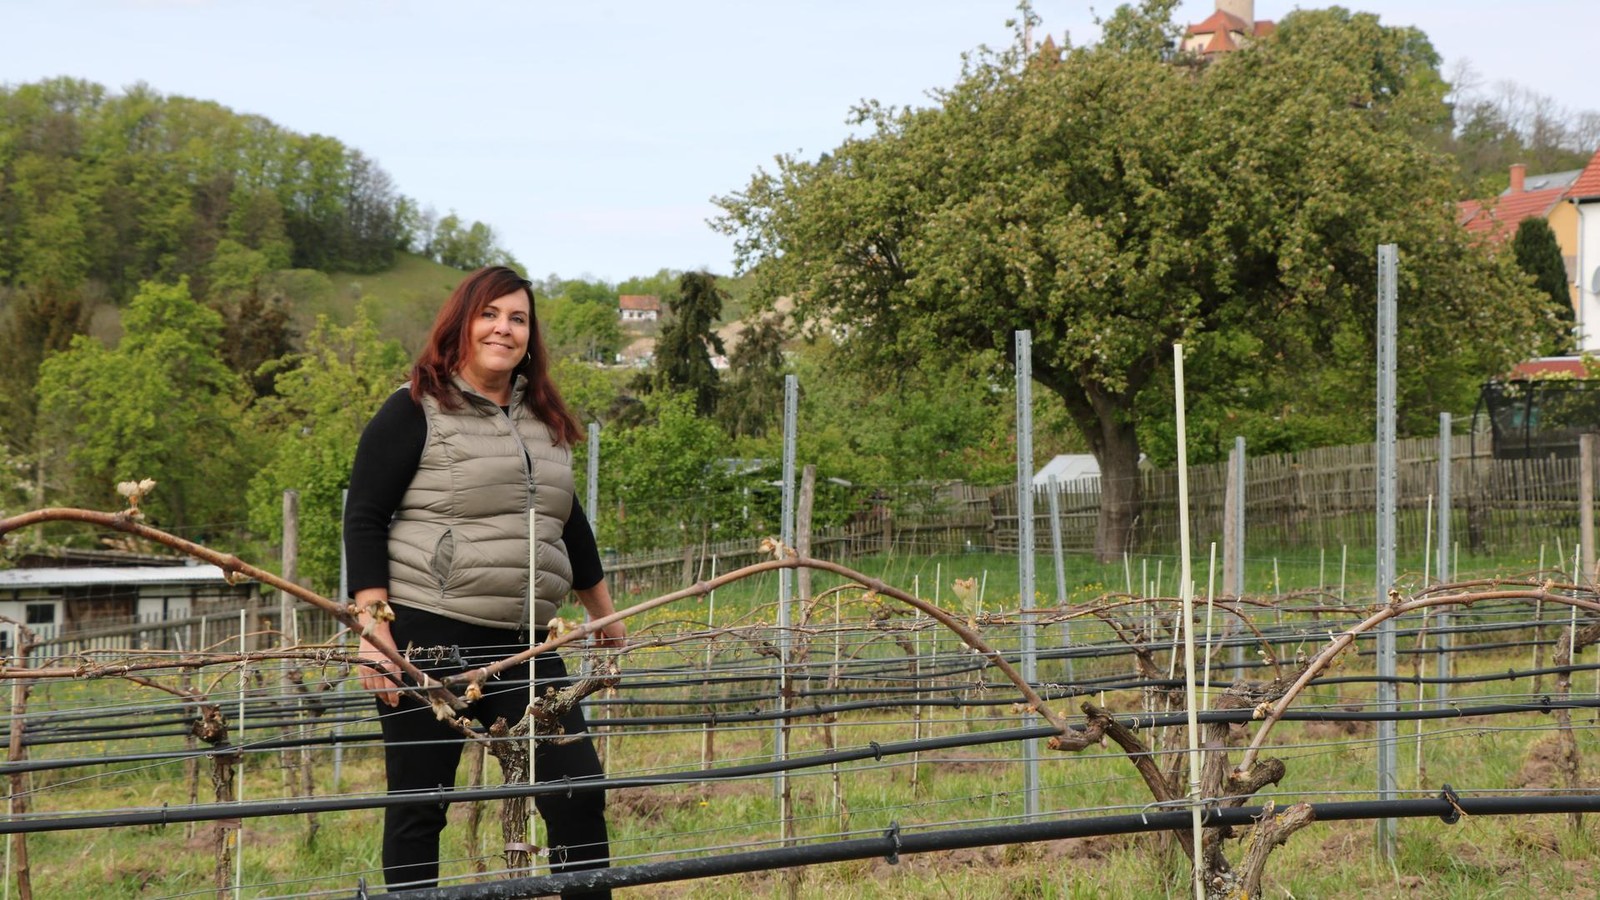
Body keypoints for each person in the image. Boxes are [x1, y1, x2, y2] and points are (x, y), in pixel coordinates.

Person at [343, 265, 623, 895]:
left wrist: (603, 615)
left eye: (518, 318)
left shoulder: (543, 419)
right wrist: (373, 631)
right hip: (429, 632)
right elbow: (364, 515)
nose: (504, 328)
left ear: (531, 335)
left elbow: (567, 521)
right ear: (462, 324)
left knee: (577, 792)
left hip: (526, 641)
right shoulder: (415, 406)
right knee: (421, 804)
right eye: (490, 314)